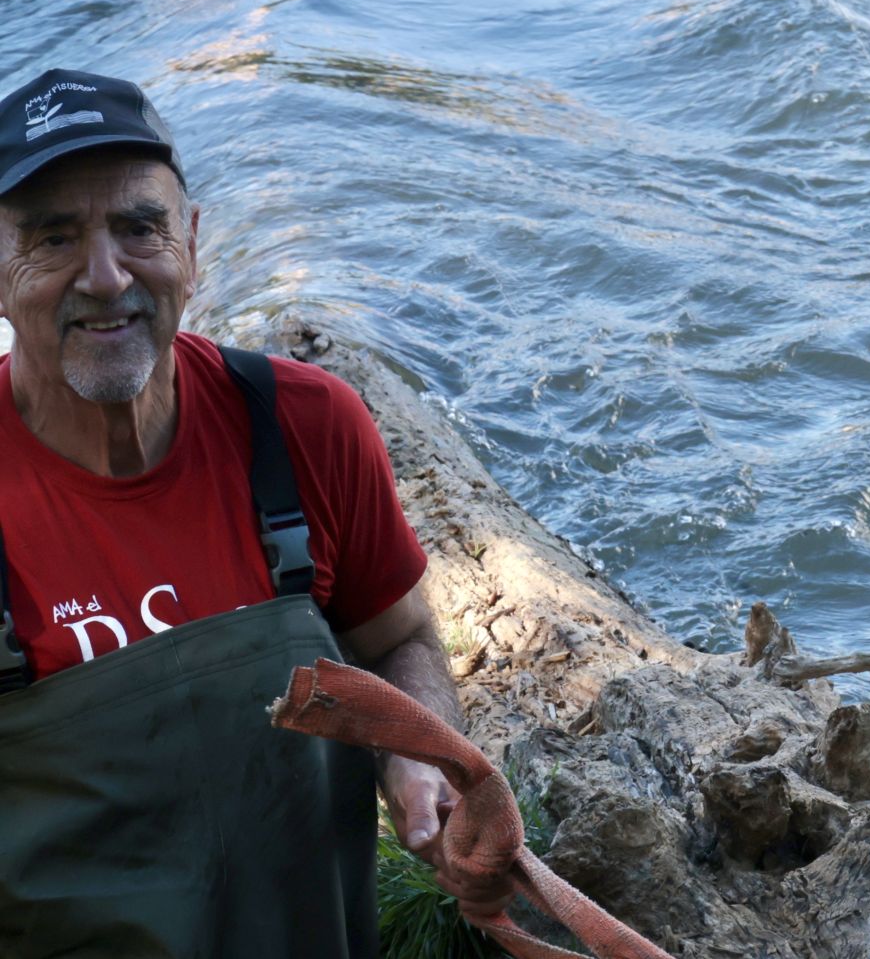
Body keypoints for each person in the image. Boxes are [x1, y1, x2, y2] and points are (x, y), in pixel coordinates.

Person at [0, 69, 510, 957]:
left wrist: (417, 754)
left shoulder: (304, 426)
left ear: (192, 245)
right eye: (54, 237)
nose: (107, 274)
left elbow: (398, 640)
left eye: (139, 226)